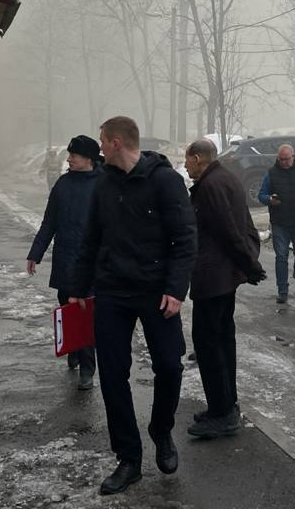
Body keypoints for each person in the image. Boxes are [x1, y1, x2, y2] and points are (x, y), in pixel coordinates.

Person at [69, 116, 197, 496]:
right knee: (112, 374)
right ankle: (128, 457)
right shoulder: (104, 183)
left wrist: (176, 289)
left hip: (156, 291)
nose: (99, 148)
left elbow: (185, 238)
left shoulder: (164, 181)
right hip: (112, 291)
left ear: (117, 142)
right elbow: (91, 238)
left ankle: (162, 429)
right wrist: (78, 285)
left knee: (170, 366)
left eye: (102, 142)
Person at [181, 138, 266, 440]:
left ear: (200, 157)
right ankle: (225, 405)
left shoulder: (212, 186)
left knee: (208, 344)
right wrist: (247, 263)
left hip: (213, 277)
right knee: (222, 341)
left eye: (187, 159)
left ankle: (222, 413)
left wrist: (250, 265)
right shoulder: (225, 177)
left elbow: (229, 230)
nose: (185, 165)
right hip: (222, 276)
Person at [26, 135, 102, 389]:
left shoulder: (104, 184)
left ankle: (88, 369)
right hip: (65, 257)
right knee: (66, 305)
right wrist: (35, 253)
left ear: (88, 159)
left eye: (74, 156)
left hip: (92, 261)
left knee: (86, 312)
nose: (68, 159)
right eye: (69, 155)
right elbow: (49, 222)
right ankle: (74, 349)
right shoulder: (63, 184)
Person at [257, 144, 295, 304]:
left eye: (286, 159)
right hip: (279, 223)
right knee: (281, 257)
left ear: (293, 156)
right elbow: (261, 195)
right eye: (281, 159)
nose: (284, 162)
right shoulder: (271, 174)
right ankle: (282, 290)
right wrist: (269, 199)